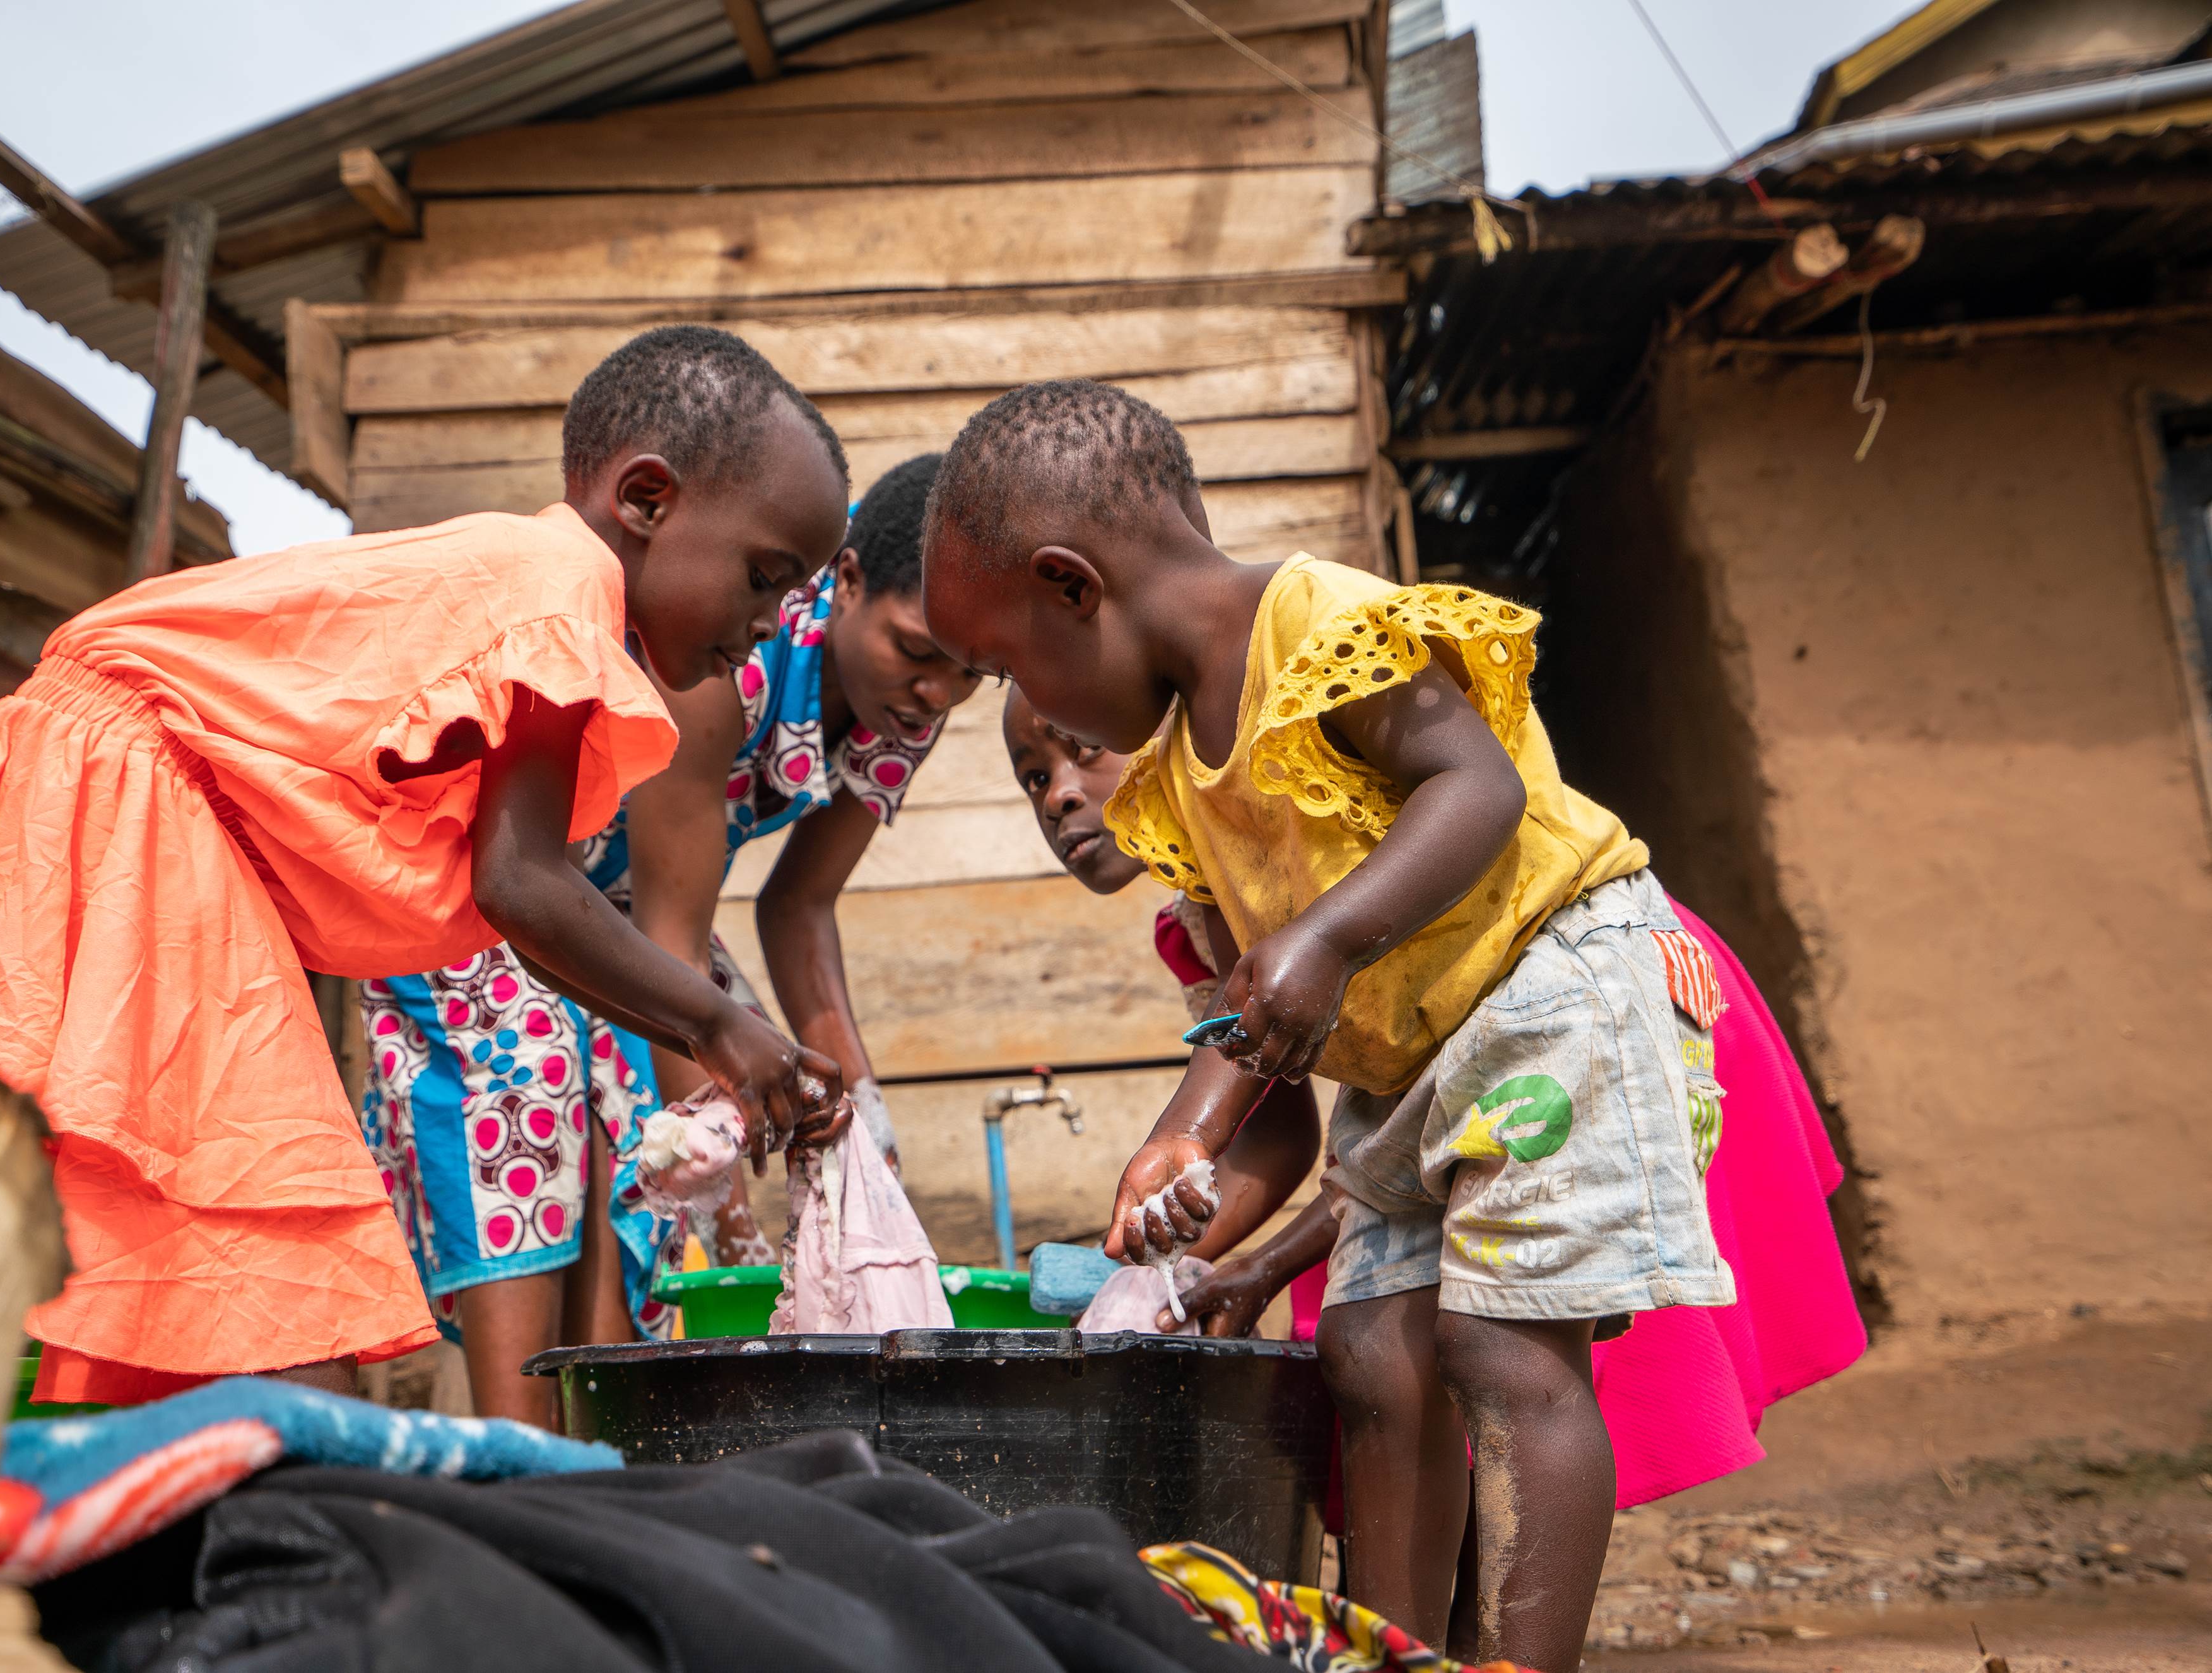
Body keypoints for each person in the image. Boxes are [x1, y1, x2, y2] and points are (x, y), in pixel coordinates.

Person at [0, 326, 854, 1409]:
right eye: (765, 577)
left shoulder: (543, 593)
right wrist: (726, 1025)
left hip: (97, 792)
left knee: (185, 1262)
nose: (771, 624)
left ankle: (122, 1520)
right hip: (127, 796)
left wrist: (704, 1035)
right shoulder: (558, 589)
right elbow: (524, 885)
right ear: (645, 500)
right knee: (265, 1269)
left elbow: (528, 921)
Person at [921, 379, 1730, 1673]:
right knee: (1365, 1355)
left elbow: (1476, 785)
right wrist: (1183, 1138)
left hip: (1547, 983)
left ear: (1074, 586)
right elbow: (1244, 1013)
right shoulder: (1176, 778)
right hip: (1400, 1059)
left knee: (1498, 1346)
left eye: (1016, 666)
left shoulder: (1318, 622)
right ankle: (1387, 1654)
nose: (1036, 708)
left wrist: (1324, 936)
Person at [363, 454, 980, 1423]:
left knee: (650, 1158)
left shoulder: (906, 708)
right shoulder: (726, 678)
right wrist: (734, 1213)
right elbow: (673, 948)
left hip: (610, 908)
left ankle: (606, 1455)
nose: (937, 693)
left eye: (967, 674)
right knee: (535, 1101)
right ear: (849, 583)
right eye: (917, 653)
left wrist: (861, 1104)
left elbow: (799, 907)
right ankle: (526, 1452)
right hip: (493, 885)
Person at [999, 685, 1322, 1284]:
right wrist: (1147, 1269)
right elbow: (1278, 1130)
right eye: (1035, 779)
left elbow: (1399, 1127)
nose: (1058, 797)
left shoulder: (1298, 858)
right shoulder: (1193, 930)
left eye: (1088, 749)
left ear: (1166, 732)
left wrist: (1270, 1267)